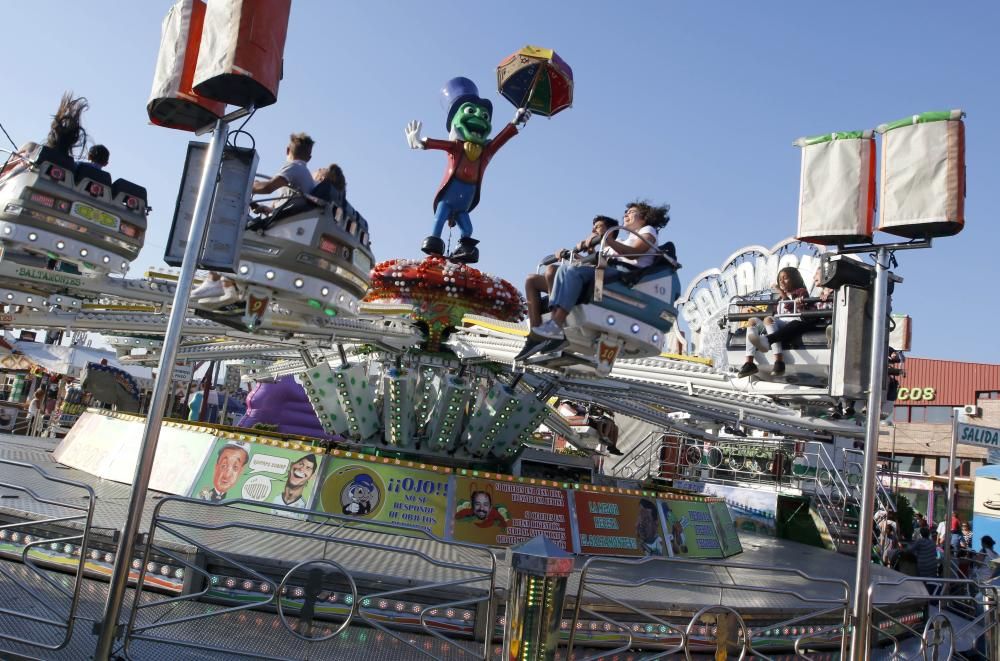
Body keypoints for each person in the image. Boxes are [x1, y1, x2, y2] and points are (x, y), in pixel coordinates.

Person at [532, 201, 670, 340]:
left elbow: (633, 253)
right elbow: (600, 259)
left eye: (631, 211)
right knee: (564, 270)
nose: (626, 213)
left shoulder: (647, 230)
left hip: (627, 274)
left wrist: (605, 238)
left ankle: (557, 323)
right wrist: (588, 249)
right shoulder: (626, 239)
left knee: (573, 272)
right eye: (625, 212)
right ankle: (553, 320)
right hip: (613, 270)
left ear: (644, 217)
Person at [525, 215, 618, 328]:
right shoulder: (600, 250)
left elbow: (602, 267)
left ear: (610, 231)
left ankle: (555, 316)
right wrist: (570, 254)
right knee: (531, 279)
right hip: (581, 278)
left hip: (597, 282)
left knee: (552, 270)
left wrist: (581, 253)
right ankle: (535, 328)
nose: (593, 230)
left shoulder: (618, 247)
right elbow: (588, 266)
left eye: (598, 227)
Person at [737, 267, 821, 378]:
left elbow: (790, 305)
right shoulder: (778, 299)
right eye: (779, 279)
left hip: (792, 322)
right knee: (752, 321)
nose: (781, 281)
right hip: (778, 322)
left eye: (785, 278)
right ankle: (749, 362)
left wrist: (781, 292)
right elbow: (771, 312)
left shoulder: (801, 292)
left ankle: (779, 361)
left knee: (768, 320)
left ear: (794, 279)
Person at [253, 132, 316, 205]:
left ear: (287, 150)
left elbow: (268, 188)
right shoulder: (308, 177)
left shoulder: (294, 167)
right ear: (309, 158)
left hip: (291, 216)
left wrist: (251, 186)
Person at [270, 454, 318, 519]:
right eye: (301, 464)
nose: (302, 469)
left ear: (312, 476)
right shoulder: (275, 499)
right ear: (292, 465)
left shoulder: (305, 507)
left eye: (308, 468)